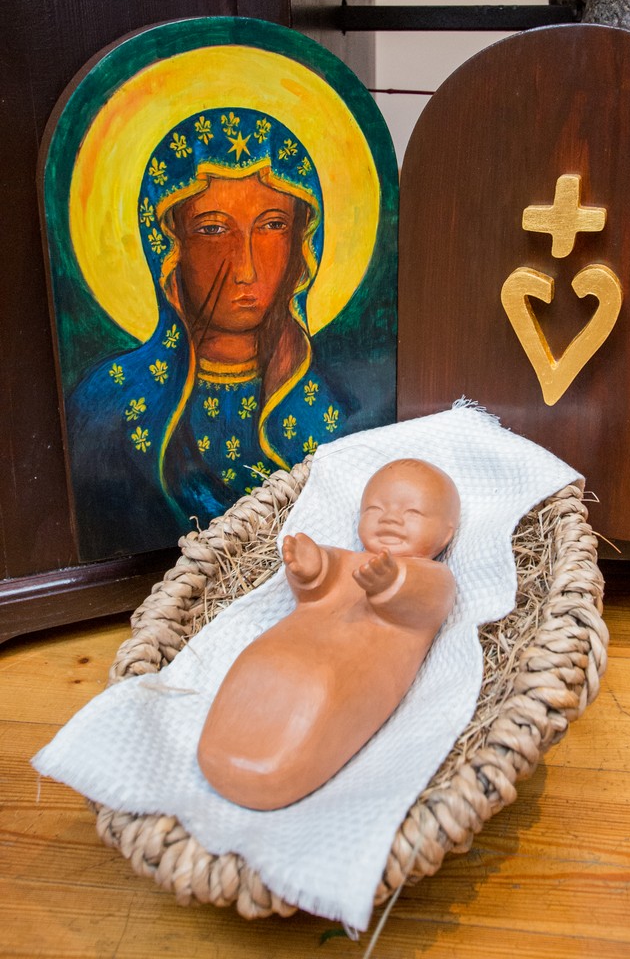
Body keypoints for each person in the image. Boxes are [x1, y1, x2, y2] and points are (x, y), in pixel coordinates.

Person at [67, 107, 348, 561]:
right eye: (213, 229)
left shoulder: (334, 401)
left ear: (302, 242)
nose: (245, 268)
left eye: (273, 225)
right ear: (168, 247)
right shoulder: (108, 407)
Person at [197, 459, 460, 810]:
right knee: (258, 662)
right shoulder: (348, 560)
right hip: (285, 644)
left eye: (412, 513)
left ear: (445, 535)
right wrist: (311, 568)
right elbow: (317, 590)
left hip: (350, 669)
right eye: (375, 509)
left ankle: (276, 770)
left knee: (320, 687)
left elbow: (418, 604)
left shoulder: (434, 577)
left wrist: (391, 582)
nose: (390, 519)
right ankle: (222, 747)